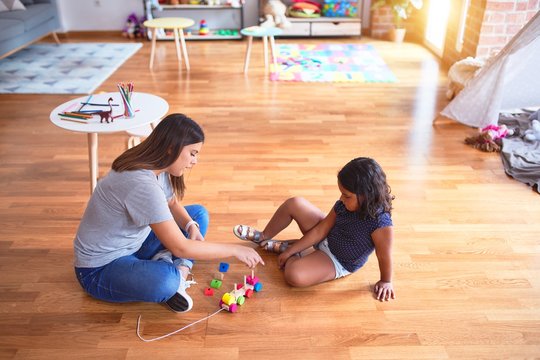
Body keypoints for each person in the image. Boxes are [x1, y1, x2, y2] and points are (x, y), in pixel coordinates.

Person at [74, 113, 264, 313]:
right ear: (171, 148)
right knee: (166, 282)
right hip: (99, 269)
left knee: (197, 215)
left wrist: (190, 226)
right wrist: (235, 250)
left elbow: (171, 202)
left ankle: (173, 268)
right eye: (192, 153)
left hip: (133, 244)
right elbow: (181, 248)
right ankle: (173, 275)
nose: (195, 161)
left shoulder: (156, 167)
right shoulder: (141, 184)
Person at [233, 157, 395, 301]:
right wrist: (289, 253)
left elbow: (384, 256)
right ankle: (264, 236)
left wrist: (386, 281)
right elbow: (321, 230)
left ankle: (292, 250)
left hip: (337, 260)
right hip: (328, 236)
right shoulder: (344, 205)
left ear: (366, 195)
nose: (341, 198)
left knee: (294, 275)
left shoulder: (381, 224)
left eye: (346, 195)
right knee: (295, 203)